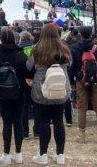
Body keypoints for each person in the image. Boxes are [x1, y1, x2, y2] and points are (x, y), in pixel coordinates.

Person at [27, 23, 71, 165]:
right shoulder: (64, 48)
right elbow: (70, 64)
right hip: (60, 87)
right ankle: (60, 155)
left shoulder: (37, 49)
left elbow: (29, 66)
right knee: (59, 121)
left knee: (44, 121)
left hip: (42, 89)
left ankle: (43, 154)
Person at [0, 26, 29, 164]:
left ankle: (6, 154)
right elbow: (28, 73)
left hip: (2, 92)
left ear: (0, 39)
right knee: (18, 122)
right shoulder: (21, 54)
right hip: (19, 92)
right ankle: (18, 154)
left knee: (6, 123)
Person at [70, 26, 97, 144]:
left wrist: (73, 82)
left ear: (80, 34)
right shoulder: (96, 49)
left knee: (82, 108)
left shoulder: (74, 48)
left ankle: (82, 136)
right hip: (96, 80)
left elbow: (72, 67)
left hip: (81, 80)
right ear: (91, 35)